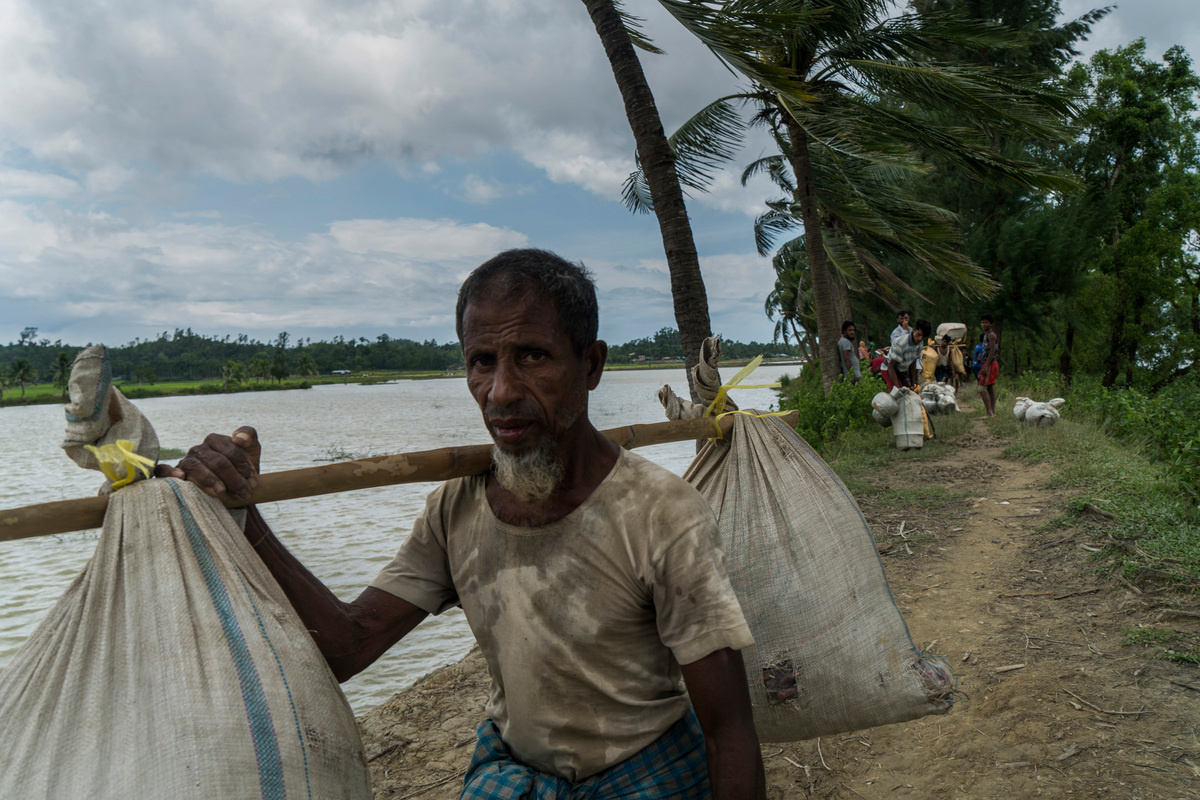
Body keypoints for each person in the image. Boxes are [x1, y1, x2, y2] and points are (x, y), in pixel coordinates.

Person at [159, 249, 765, 800]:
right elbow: (348, 645)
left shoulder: (661, 512)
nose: (500, 392)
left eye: (532, 356)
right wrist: (245, 516)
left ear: (591, 365)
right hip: (517, 773)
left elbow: (729, 729)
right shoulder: (457, 510)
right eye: (482, 362)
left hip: (644, 772)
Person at [887, 319, 933, 390]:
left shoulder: (920, 344)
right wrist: (898, 388)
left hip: (902, 370)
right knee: (897, 395)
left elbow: (912, 364)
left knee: (908, 392)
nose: (920, 339)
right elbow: (891, 366)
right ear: (914, 330)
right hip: (889, 369)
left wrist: (912, 384)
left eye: (923, 337)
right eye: (919, 335)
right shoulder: (901, 343)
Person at [978, 313, 1000, 418]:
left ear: (991, 324)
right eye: (982, 322)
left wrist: (986, 366)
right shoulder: (986, 335)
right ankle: (992, 412)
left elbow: (992, 351)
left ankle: (989, 412)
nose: (984, 324)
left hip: (990, 364)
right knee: (990, 388)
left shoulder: (991, 335)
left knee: (982, 389)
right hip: (987, 363)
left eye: (986, 322)